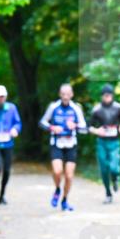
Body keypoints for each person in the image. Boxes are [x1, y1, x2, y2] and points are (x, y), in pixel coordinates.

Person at [39, 83, 87, 212]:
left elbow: (84, 127)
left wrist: (75, 125)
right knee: (57, 171)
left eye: (68, 94)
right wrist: (52, 127)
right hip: (57, 143)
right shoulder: (53, 107)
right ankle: (57, 189)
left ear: (72, 94)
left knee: (69, 176)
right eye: (63, 94)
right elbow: (42, 122)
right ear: (60, 94)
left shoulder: (76, 108)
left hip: (71, 143)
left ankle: (64, 200)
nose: (65, 97)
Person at [89, 84, 120, 204]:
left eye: (109, 95)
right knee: (104, 169)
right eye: (105, 96)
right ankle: (108, 193)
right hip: (102, 142)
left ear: (112, 96)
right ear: (102, 96)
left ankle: (115, 179)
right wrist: (96, 131)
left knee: (114, 168)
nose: (107, 98)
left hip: (114, 142)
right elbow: (88, 127)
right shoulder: (96, 109)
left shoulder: (119, 108)